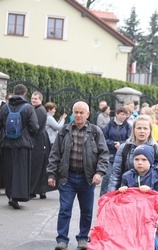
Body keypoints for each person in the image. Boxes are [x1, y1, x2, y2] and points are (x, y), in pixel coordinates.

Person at [47, 101, 109, 250]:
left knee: (87, 211)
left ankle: (82, 238)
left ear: (87, 114)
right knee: (65, 209)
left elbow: (104, 155)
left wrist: (99, 173)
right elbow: (55, 153)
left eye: (82, 112)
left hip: (87, 179)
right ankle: (62, 240)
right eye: (76, 112)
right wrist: (51, 174)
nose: (78, 115)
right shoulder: (64, 131)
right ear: (72, 113)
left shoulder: (95, 132)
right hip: (66, 177)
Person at [0, 84, 39, 209]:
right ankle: (18, 196)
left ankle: (10, 195)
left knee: (9, 170)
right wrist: (29, 136)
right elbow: (34, 127)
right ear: (24, 94)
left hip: (7, 144)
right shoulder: (28, 108)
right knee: (20, 171)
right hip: (23, 144)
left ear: (13, 92)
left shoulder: (5, 107)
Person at [108, 115, 158, 192]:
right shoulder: (124, 148)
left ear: (150, 131)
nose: (142, 131)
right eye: (139, 128)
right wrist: (111, 195)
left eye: (145, 128)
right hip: (127, 194)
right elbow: (116, 175)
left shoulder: (157, 149)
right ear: (134, 130)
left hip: (150, 195)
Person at [100, 107, 132, 196]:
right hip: (110, 154)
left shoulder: (128, 126)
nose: (124, 116)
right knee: (107, 175)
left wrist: (121, 144)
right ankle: (103, 196)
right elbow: (103, 139)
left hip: (123, 154)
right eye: (122, 114)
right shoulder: (109, 125)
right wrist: (113, 144)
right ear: (117, 114)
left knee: (121, 176)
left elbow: (129, 139)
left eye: (125, 115)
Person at [30, 91, 52, 199]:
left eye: (36, 99)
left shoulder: (40, 110)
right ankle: (39, 190)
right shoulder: (37, 109)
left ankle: (36, 190)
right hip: (40, 139)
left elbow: (35, 127)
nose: (33, 100)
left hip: (39, 140)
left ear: (40, 99)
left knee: (38, 165)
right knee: (40, 165)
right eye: (32, 98)